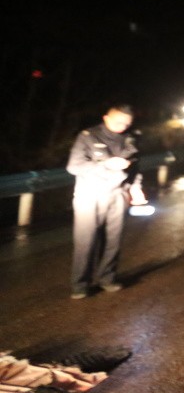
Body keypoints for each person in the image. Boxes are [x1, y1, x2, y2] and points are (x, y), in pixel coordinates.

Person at [66, 104, 145, 299]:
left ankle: (107, 279)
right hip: (90, 194)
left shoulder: (130, 139)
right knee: (86, 241)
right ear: (106, 118)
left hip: (118, 194)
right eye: (118, 121)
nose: (122, 126)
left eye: (127, 123)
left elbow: (135, 167)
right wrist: (106, 165)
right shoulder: (88, 136)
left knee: (113, 241)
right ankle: (80, 284)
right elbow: (74, 166)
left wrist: (136, 188)